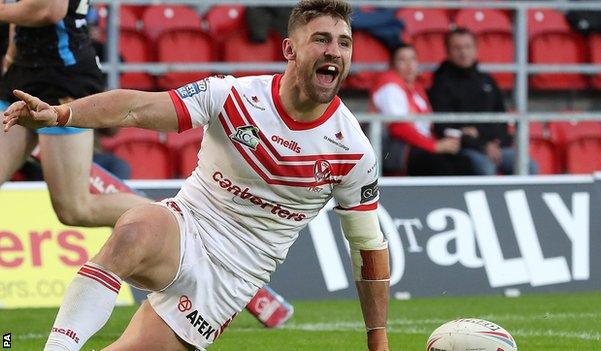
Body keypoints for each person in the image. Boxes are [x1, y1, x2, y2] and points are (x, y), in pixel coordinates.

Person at [3, 2, 390, 351]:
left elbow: (368, 248)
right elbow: (137, 108)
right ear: (290, 50)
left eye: (344, 43)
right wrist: (60, 115)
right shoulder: (234, 96)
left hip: (229, 281)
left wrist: (379, 340)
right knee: (134, 229)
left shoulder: (352, 149)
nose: (334, 51)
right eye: (321, 39)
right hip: (187, 227)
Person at [0, 0, 148, 225]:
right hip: (23, 73)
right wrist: (11, 55)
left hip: (62, 78)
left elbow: (50, 10)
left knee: (75, 209)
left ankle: (175, 217)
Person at [428, 27, 538, 175]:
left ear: (475, 49)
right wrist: (481, 144)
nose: (463, 52)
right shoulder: (440, 83)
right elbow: (444, 127)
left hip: (495, 145)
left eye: (468, 47)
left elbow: (501, 118)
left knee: (529, 166)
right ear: (448, 51)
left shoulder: (487, 81)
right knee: (485, 166)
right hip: (463, 148)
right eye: (457, 48)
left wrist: (496, 141)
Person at [371, 44, 474, 176]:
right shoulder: (390, 87)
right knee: (442, 165)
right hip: (395, 149)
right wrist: (435, 146)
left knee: (465, 162)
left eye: (413, 59)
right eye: (402, 60)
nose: (409, 65)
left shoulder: (416, 88)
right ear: (392, 65)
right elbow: (398, 127)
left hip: (419, 146)